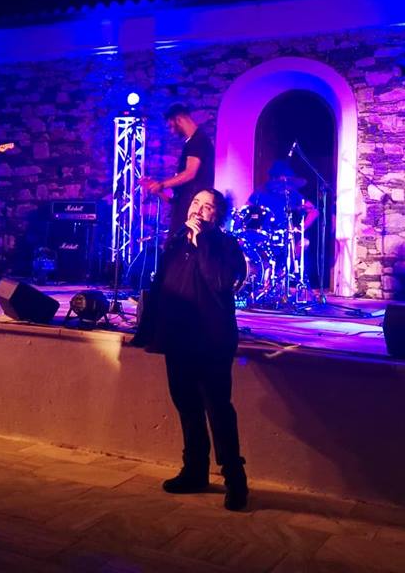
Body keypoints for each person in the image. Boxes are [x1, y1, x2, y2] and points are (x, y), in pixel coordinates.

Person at [134, 188, 250, 511]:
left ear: (218, 215)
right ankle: (195, 471)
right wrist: (149, 330)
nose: (199, 209)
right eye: (196, 202)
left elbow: (219, 282)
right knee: (186, 405)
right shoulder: (175, 242)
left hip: (212, 340)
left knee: (218, 409)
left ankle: (235, 480)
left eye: (208, 206)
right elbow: (162, 286)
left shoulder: (226, 246)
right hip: (178, 337)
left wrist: (202, 243)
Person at [142, 102, 215, 237]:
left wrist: (162, 184)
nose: (172, 131)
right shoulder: (192, 142)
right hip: (184, 207)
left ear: (179, 119)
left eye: (171, 126)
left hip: (191, 211)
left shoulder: (198, 141)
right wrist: (157, 189)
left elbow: (190, 173)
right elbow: (176, 199)